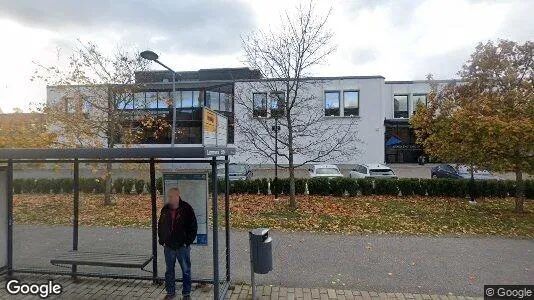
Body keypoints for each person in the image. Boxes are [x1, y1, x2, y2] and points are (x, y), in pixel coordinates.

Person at [158, 187, 198, 300]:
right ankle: (170, 292)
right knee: (169, 271)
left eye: (171, 196)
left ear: (177, 196)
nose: (169, 198)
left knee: (186, 271)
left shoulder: (187, 208)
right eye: (168, 196)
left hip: (182, 247)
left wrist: (187, 242)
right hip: (169, 247)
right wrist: (162, 240)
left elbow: (193, 227)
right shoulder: (165, 209)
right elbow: (160, 225)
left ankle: (186, 294)